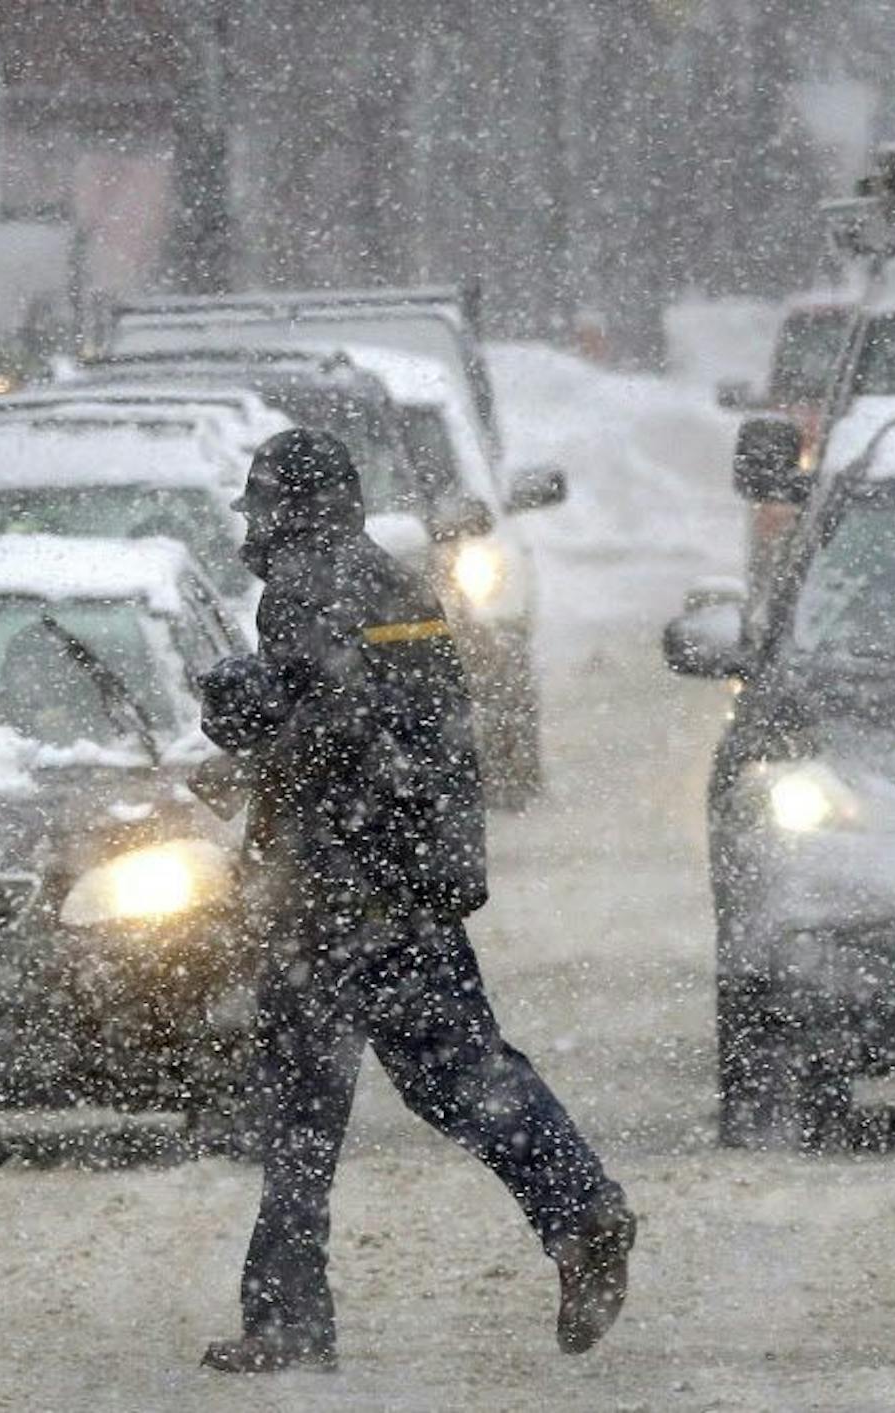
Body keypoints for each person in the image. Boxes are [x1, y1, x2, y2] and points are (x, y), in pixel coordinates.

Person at [196, 429, 636, 1374]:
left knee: (304, 1114)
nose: (257, 526)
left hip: (333, 895)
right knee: (458, 1075)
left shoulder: (309, 588)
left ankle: (288, 1320)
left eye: (263, 508)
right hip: (403, 881)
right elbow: (397, 722)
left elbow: (336, 721)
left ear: (287, 511)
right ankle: (577, 1208)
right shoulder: (389, 580)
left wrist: (250, 715)